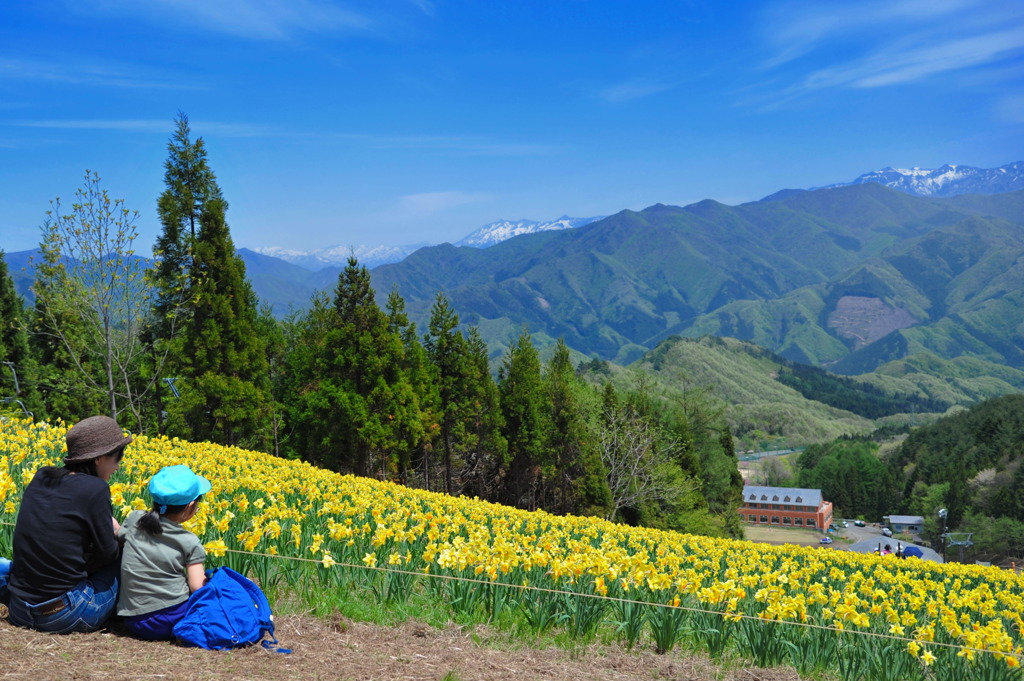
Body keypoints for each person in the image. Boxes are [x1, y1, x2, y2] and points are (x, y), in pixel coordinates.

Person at [5, 415, 131, 633]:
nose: (118, 467)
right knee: (126, 552)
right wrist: (118, 532)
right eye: (117, 458)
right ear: (99, 458)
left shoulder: (42, 475)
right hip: (64, 615)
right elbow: (108, 554)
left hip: (18, 609)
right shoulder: (95, 489)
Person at [117, 465, 211, 640]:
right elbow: (197, 587)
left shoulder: (135, 518)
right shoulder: (190, 540)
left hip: (133, 620)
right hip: (171, 620)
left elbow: (118, 537)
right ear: (191, 506)